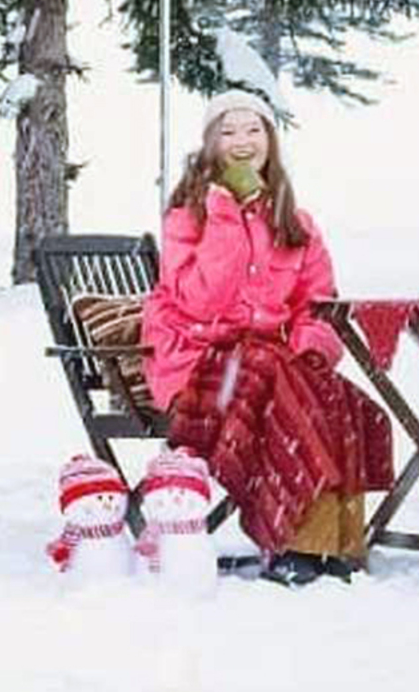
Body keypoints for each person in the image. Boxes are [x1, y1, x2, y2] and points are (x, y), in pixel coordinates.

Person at [142, 89, 391, 586]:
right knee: (276, 380)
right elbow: (199, 302)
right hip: (197, 361)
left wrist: (312, 344)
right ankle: (293, 542)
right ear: (211, 143)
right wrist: (226, 219)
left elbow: (316, 301)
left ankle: (334, 544)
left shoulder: (296, 222)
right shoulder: (187, 216)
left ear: (270, 141)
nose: (241, 142)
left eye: (253, 129)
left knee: (336, 397)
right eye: (228, 131)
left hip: (264, 360)